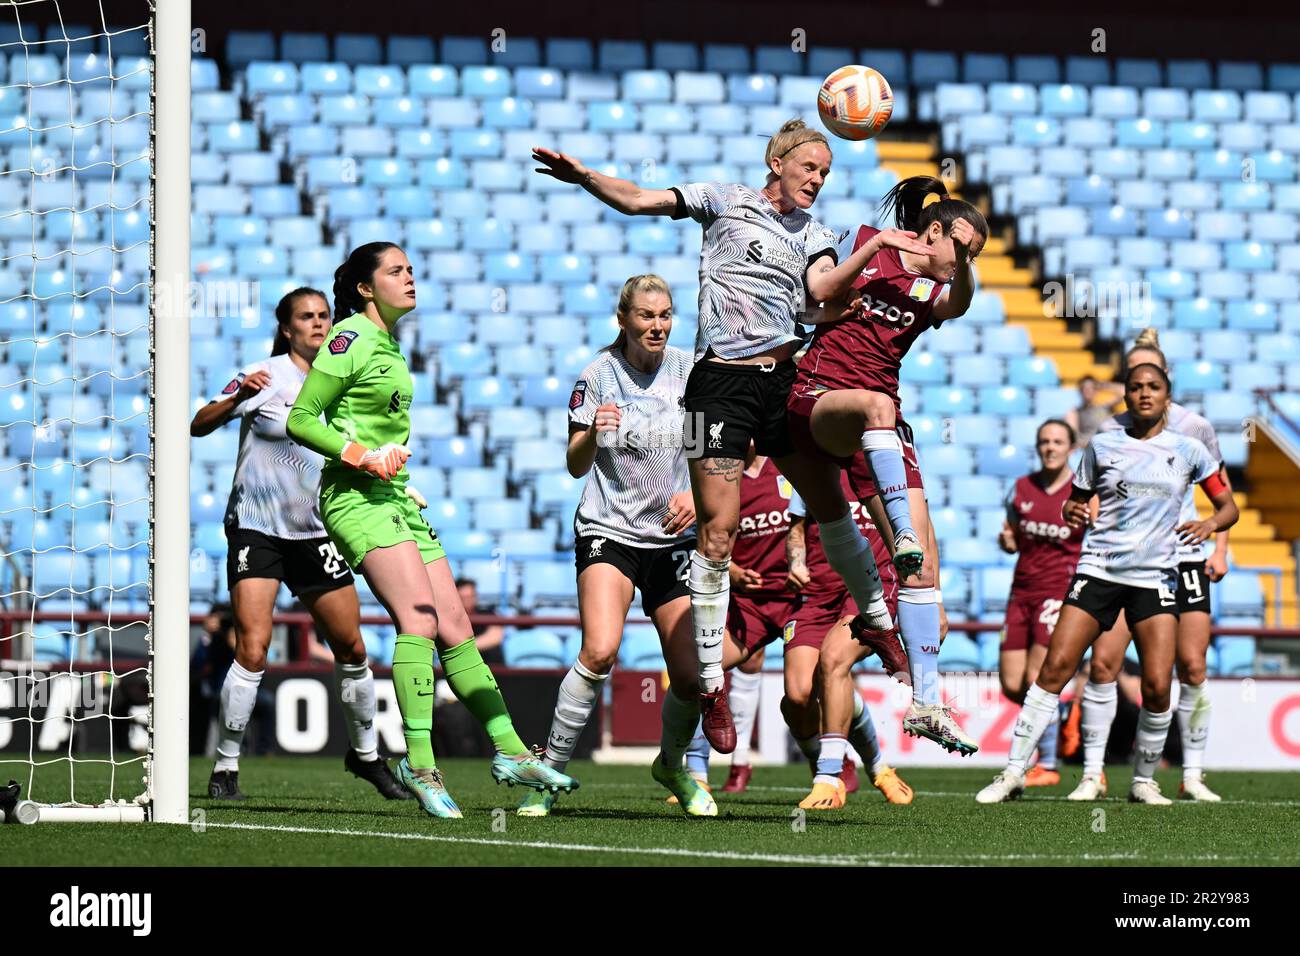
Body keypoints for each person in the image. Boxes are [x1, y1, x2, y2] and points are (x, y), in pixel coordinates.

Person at [533, 120, 907, 755]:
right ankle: (709, 684)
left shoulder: (818, 236)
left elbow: (818, 297)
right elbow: (639, 199)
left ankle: (876, 617)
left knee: (830, 503)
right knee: (717, 531)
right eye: (809, 166)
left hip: (784, 382)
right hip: (716, 389)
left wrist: (874, 262)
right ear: (777, 161)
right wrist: (586, 178)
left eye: (825, 172)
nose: (817, 179)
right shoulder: (725, 200)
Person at [287, 243, 575, 818]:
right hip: (355, 496)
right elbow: (300, 419)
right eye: (396, 272)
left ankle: (513, 752)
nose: (410, 279)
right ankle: (419, 765)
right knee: (418, 618)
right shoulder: (348, 339)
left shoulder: (388, 343)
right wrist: (363, 457)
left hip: (394, 495)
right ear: (366, 288)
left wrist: (396, 475)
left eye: (411, 270)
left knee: (456, 625)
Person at [787, 175, 988, 753]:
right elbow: (815, 296)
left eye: (974, 256)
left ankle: (926, 702)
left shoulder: (931, 293)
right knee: (876, 406)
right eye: (963, 249)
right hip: (820, 395)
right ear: (932, 231)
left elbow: (958, 301)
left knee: (921, 568)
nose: (963, 262)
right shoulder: (864, 238)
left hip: (879, 423)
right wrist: (875, 253)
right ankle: (896, 531)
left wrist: (959, 266)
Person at [976, 363, 1238, 805]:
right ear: (1127, 397)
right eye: (1136, 388)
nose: (1144, 394)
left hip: (1155, 581)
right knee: (1055, 670)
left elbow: (1227, 505)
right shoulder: (1101, 446)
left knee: (1157, 685)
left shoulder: (1190, 450)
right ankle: (1012, 773)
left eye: (1153, 387)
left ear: (1167, 397)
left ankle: (1143, 781)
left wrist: (1210, 523)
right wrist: (1072, 513)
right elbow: (1074, 505)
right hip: (1097, 571)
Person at [190, 287, 406, 801]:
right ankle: (225, 768)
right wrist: (238, 398)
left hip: (315, 529)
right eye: (305, 317)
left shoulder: (346, 382)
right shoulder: (263, 375)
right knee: (253, 647)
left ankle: (366, 756)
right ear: (286, 328)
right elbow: (198, 424)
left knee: (352, 647)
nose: (317, 323)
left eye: (323, 315)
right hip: (257, 528)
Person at [516, 275, 703, 816]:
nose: (658, 326)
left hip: (671, 538)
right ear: (623, 319)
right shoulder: (596, 376)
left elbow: (697, 447)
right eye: (647, 316)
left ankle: (672, 764)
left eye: (665, 315)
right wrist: (592, 434)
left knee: (692, 676)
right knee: (599, 650)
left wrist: (693, 491)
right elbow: (574, 465)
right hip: (609, 531)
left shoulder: (687, 370)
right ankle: (548, 773)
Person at [1071, 328, 1233, 802]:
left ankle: (1192, 774)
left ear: (1164, 378)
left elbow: (1222, 493)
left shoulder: (1195, 427)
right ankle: (1092, 773)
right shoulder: (1109, 429)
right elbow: (1094, 487)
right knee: (1104, 662)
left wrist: (1219, 548)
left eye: (1151, 376)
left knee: (1192, 664)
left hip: (1184, 558)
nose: (1143, 388)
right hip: (1127, 561)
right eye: (1134, 378)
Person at [789, 469, 914, 809]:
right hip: (816, 593)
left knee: (833, 660)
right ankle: (878, 767)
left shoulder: (886, 468)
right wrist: (796, 562)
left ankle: (830, 777)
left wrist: (935, 597)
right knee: (798, 696)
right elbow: (796, 530)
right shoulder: (811, 465)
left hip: (866, 588)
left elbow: (918, 528)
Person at [996, 419, 1090, 788]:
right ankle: (1059, 713)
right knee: (1010, 683)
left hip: (1058, 593)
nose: (1050, 447)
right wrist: (1007, 542)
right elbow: (1012, 536)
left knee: (1036, 679)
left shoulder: (1081, 493)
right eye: (1044, 442)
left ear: (1071, 447)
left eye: (1057, 441)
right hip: (1021, 593)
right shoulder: (1020, 489)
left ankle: (1047, 764)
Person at [456, 578, 505, 666]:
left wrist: (461, 648)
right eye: (463, 597)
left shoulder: (488, 614)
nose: (468, 601)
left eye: (471, 596)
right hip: (464, 667)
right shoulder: (452, 619)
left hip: (492, 667)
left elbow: (496, 637)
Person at [1064, 375, 1123, 448]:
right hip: (1087, 448)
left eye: (1091, 388)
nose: (1087, 391)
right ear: (1080, 391)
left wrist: (1104, 385)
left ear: (1096, 390)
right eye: (1084, 388)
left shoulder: (1104, 407)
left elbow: (1124, 393)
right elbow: (1073, 437)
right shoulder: (1075, 412)